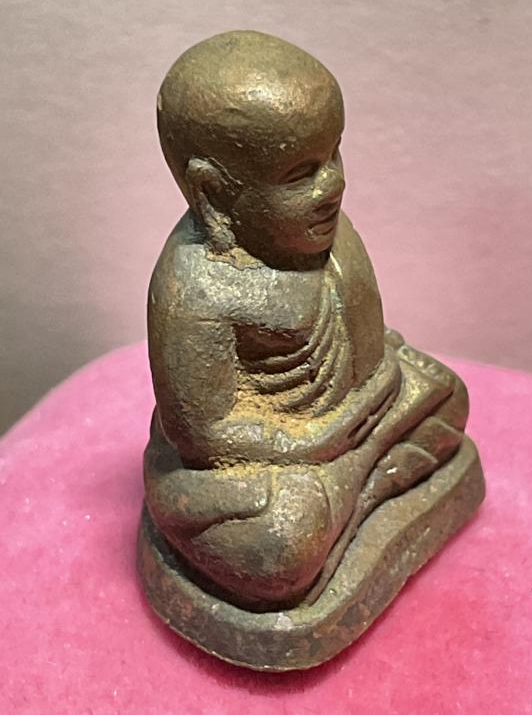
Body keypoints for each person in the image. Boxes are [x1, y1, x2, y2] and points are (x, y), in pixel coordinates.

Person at [144, 30, 469, 610]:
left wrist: (372, 402)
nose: (334, 185)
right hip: (263, 469)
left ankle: (347, 500)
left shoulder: (333, 238)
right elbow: (203, 436)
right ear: (213, 192)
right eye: (301, 174)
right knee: (280, 547)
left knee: (448, 396)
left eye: (334, 155)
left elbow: (373, 361)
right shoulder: (195, 290)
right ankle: (358, 490)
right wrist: (313, 443)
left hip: (347, 429)